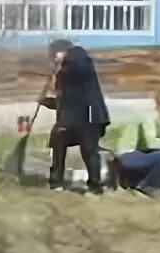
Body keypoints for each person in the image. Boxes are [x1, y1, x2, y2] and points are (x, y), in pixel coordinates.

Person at [39, 39, 111, 194]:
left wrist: (61, 63)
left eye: (54, 55)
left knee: (89, 151)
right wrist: (47, 102)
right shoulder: (65, 70)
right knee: (58, 141)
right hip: (73, 118)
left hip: (89, 117)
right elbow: (67, 99)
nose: (52, 58)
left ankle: (95, 187)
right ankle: (56, 182)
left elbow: (78, 73)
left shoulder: (80, 61)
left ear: (62, 51)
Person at [113, 91, 160, 197]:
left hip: (127, 155)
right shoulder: (147, 117)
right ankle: (148, 187)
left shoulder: (145, 115)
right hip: (127, 156)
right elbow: (151, 143)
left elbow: (146, 144)